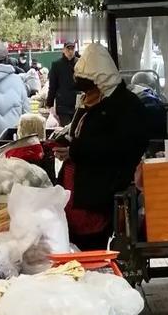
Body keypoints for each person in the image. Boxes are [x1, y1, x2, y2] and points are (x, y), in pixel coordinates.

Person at [60, 43, 152, 250]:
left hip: (99, 192)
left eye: (89, 89)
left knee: (90, 244)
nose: (85, 96)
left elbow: (121, 146)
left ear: (101, 84)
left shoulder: (126, 107)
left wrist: (75, 150)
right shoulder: (92, 104)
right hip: (83, 190)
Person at [46, 40, 79, 126]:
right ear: (63, 50)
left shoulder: (80, 63)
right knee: (66, 129)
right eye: (68, 49)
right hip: (63, 104)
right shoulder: (57, 65)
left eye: (72, 48)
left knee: (76, 129)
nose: (70, 51)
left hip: (78, 103)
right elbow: (52, 85)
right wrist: (49, 103)